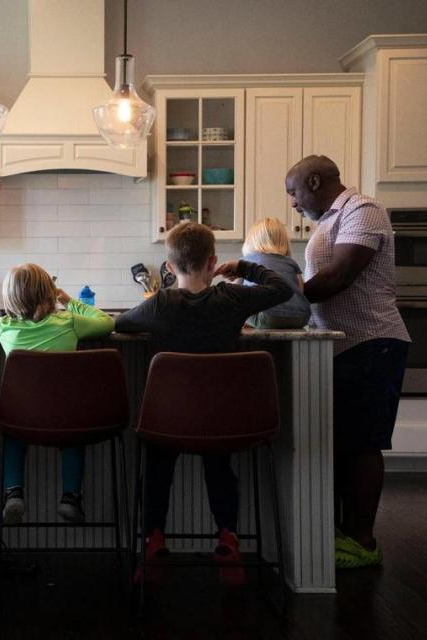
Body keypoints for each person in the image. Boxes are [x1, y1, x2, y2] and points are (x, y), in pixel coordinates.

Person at [114, 221, 293, 586]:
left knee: (157, 461)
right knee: (219, 462)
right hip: (222, 419)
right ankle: (227, 538)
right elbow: (282, 288)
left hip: (168, 421)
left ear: (168, 267)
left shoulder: (159, 304)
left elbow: (119, 324)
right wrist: (243, 268)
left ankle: (153, 540)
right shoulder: (232, 298)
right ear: (212, 262)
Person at [285, 155, 410, 569]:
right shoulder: (327, 222)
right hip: (344, 347)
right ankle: (344, 535)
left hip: (373, 342)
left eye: (294, 192)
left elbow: (338, 277)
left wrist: (279, 295)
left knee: (362, 445)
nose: (292, 203)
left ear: (315, 181)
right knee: (344, 443)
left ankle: (362, 541)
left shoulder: (363, 211)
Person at [0, 263, 115, 524]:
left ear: (9, 298)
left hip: (23, 417)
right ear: (49, 294)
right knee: (73, 435)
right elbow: (107, 322)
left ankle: (14, 492)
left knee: (12, 431)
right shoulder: (69, 321)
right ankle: (70, 497)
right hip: (67, 417)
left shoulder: (3, 326)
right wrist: (68, 301)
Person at [240, 217, 311, 329]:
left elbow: (234, 293)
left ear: (250, 241)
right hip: (301, 317)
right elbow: (300, 290)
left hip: (267, 317)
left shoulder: (247, 261)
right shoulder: (291, 263)